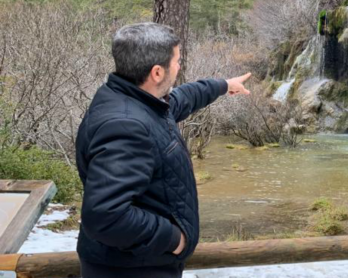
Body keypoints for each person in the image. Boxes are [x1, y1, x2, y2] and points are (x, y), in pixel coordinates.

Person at [75, 23, 252, 278]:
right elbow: (106, 216)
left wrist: (223, 85)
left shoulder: (135, 99)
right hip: (133, 269)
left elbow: (181, 99)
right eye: (177, 60)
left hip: (137, 262)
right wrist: (175, 240)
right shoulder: (126, 125)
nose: (179, 66)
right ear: (157, 72)